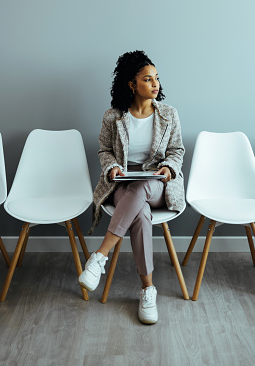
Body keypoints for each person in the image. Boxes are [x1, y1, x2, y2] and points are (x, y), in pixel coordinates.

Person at [78, 50, 185, 324]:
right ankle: (148, 289)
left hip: (158, 183)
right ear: (131, 84)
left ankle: (100, 256)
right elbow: (104, 150)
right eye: (147, 79)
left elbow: (177, 151)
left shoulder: (168, 115)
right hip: (125, 183)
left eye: (156, 78)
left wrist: (168, 168)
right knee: (140, 214)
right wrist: (111, 167)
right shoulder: (113, 116)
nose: (155, 84)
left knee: (142, 189)